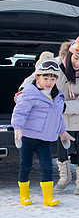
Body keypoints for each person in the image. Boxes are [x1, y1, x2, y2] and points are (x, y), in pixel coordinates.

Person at [18, 34, 79, 195]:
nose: (78, 63)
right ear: (70, 53)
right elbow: (35, 77)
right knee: (62, 142)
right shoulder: (55, 63)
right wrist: (22, 90)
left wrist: (61, 106)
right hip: (59, 110)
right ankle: (64, 176)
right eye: (76, 58)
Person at [12, 52, 74, 206]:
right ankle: (24, 196)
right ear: (37, 77)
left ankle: (48, 198)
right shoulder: (29, 94)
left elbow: (58, 117)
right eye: (45, 78)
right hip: (27, 137)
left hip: (44, 139)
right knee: (25, 165)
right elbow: (19, 112)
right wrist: (18, 129)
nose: (49, 82)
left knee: (47, 167)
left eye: (53, 79)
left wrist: (63, 132)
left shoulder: (58, 96)